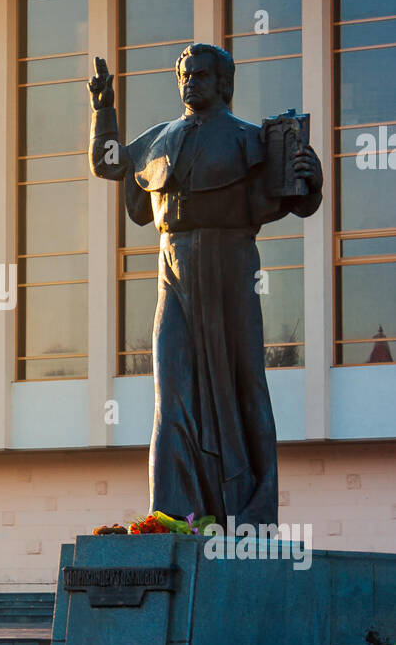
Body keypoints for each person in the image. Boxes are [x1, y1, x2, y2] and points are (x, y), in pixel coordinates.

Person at [89, 43, 322, 526]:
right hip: (172, 268)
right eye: (184, 75)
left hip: (230, 264)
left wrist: (311, 176)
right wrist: (104, 111)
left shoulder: (252, 139)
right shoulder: (161, 137)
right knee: (170, 386)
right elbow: (109, 164)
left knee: (242, 382)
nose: (189, 82)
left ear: (222, 83)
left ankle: (252, 508)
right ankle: (173, 512)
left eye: (199, 75)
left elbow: (298, 198)